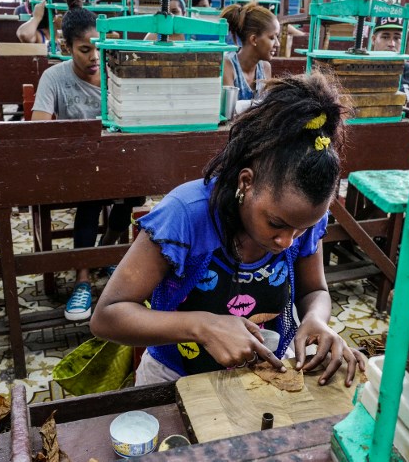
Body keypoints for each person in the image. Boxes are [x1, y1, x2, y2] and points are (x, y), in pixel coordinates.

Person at [90, 72, 368, 386]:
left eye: (303, 229)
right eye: (276, 224)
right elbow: (106, 317)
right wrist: (202, 326)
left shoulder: (298, 222)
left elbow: (314, 290)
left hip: (263, 372)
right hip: (176, 376)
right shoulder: (186, 215)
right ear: (245, 183)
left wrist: (317, 319)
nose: (287, 241)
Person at [31, 0, 143, 321]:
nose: (94, 56)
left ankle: (102, 251)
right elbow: (39, 127)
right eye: (84, 50)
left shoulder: (114, 72)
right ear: (67, 48)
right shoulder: (54, 78)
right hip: (76, 166)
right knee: (91, 198)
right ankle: (82, 280)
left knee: (131, 194)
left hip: (114, 162)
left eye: (98, 47)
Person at [220, 1, 279, 101]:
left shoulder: (265, 68)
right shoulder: (228, 65)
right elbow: (229, 113)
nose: (277, 44)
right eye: (272, 38)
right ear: (254, 39)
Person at [370, 17, 409, 101]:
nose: (391, 44)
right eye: (385, 37)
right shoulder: (361, 68)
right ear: (373, 40)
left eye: (397, 38)